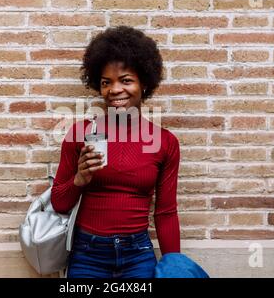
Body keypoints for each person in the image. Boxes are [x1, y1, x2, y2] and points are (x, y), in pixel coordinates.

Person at [51, 26, 181, 278]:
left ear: (144, 83)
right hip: (87, 254)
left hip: (138, 254)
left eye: (126, 80)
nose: (114, 90)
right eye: (105, 82)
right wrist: (79, 179)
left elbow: (165, 213)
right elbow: (59, 203)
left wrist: (173, 265)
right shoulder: (79, 134)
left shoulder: (165, 142)